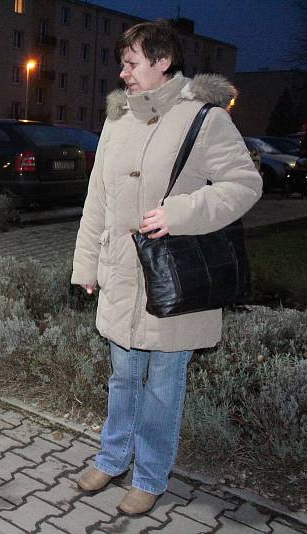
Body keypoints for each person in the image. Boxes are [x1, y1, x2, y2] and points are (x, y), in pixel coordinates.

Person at [71, 21, 261, 516]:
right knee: (121, 376)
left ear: (162, 62)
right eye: (123, 62)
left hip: (174, 280)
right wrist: (86, 262)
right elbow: (98, 199)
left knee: (162, 386)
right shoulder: (117, 120)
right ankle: (112, 458)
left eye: (132, 62)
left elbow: (243, 185)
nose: (123, 72)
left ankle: (150, 477)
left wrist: (179, 214)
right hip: (121, 273)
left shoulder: (204, 118)